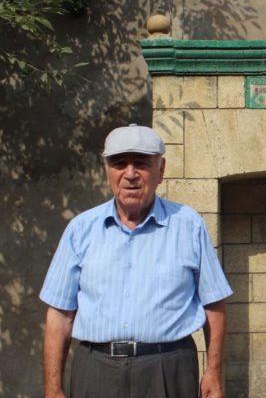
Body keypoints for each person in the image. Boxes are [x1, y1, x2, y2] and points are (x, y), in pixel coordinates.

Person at [40, 124, 232, 398]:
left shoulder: (188, 225)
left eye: (141, 164)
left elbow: (214, 304)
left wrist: (213, 372)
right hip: (96, 371)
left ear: (161, 170)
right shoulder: (80, 230)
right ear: (107, 171)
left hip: (168, 370)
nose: (130, 174)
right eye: (119, 164)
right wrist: (52, 388)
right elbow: (59, 315)